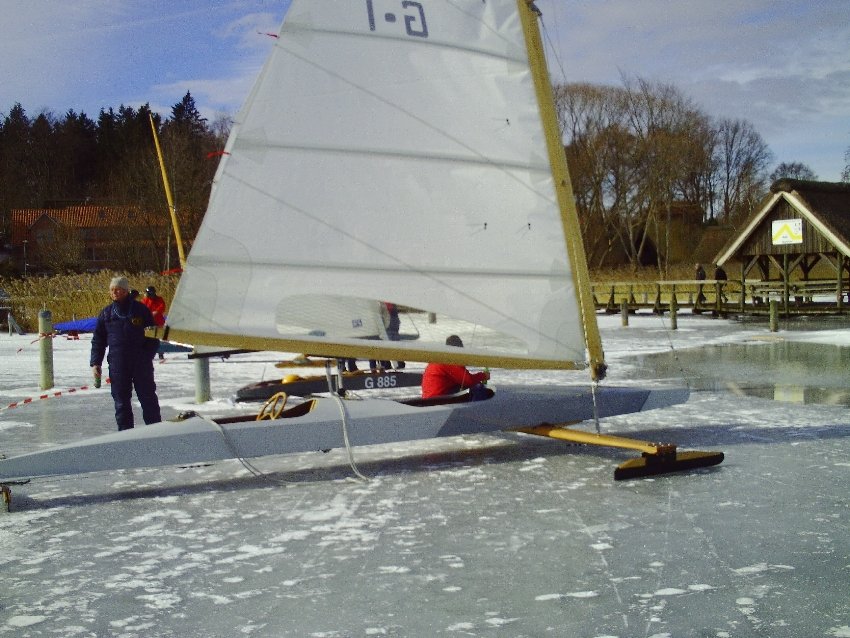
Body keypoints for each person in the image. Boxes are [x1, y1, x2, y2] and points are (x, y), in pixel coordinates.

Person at [90, 276, 162, 431]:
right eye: (112, 290)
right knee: (121, 402)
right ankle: (125, 435)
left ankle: (156, 432)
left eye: (117, 289)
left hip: (140, 364)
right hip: (118, 364)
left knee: (148, 399)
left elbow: (153, 336)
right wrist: (96, 363)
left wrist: (146, 357)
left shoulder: (141, 310)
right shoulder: (106, 314)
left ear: (125, 291)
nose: (114, 292)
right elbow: (98, 340)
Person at [421, 335, 490, 400]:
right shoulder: (449, 360)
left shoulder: (441, 358)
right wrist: (483, 376)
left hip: (430, 397)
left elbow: (460, 378)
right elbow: (467, 380)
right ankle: (481, 407)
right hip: (438, 399)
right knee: (477, 387)